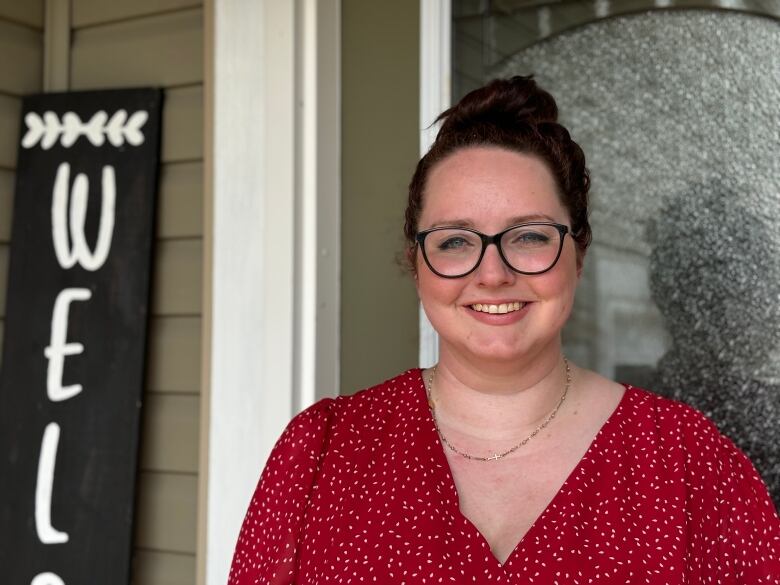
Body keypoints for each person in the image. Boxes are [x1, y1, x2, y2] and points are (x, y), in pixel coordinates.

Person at [227, 77, 780, 584]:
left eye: (530, 237)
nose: (492, 274)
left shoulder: (691, 466)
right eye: (454, 241)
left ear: (578, 255)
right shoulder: (320, 454)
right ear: (416, 265)